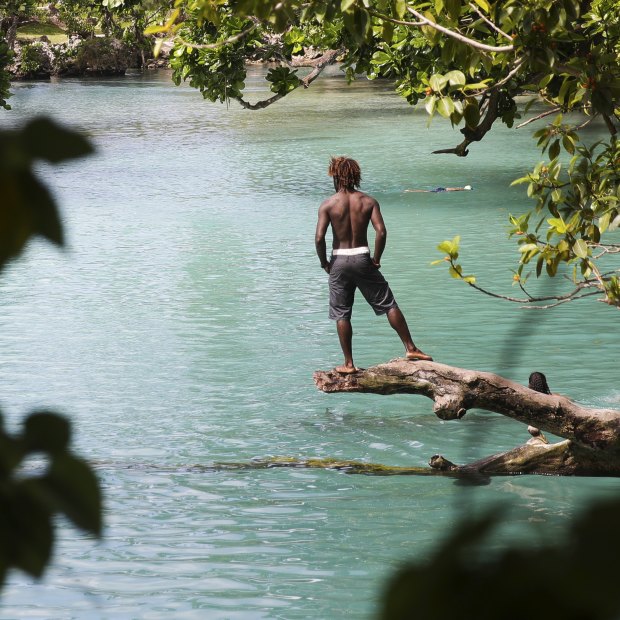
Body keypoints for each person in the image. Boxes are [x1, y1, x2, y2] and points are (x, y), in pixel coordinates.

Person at [315, 156, 433, 374]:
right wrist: (376, 258)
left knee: (342, 313)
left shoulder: (328, 204)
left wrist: (324, 263)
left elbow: (319, 238)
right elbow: (381, 231)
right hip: (362, 257)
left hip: (339, 260)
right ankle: (411, 347)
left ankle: (349, 364)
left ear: (336, 176)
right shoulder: (368, 202)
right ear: (355, 176)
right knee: (388, 304)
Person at [404, 185, 473, 193]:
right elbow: (451, 189)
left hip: (442, 189)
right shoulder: (461, 189)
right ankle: (410, 191)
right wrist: (446, 191)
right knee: (426, 191)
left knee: (426, 191)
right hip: (442, 190)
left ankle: (410, 190)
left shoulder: (460, 187)